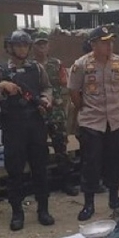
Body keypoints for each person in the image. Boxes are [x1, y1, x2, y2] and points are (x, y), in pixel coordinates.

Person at [0, 30, 55, 231]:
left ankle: (43, 209)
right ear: (10, 47)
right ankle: (17, 212)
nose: (22, 49)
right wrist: (3, 86)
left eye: (25, 45)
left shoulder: (37, 68)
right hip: (13, 127)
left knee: (40, 168)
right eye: (18, 45)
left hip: (35, 124)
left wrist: (47, 99)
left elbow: (47, 88)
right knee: (14, 171)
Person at [68, 25, 119, 221]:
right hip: (92, 121)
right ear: (93, 44)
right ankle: (89, 203)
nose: (109, 45)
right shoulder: (81, 64)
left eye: (110, 41)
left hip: (115, 120)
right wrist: (84, 108)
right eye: (104, 42)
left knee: (115, 161)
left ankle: (114, 197)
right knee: (90, 163)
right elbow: (74, 91)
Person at [31, 30, 79, 196]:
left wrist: (62, 104)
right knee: (38, 150)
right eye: (38, 44)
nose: (42, 47)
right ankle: (43, 186)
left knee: (61, 148)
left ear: (49, 46)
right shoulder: (30, 67)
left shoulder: (56, 64)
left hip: (56, 112)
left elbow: (65, 84)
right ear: (33, 47)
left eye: (44, 44)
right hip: (37, 112)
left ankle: (67, 182)